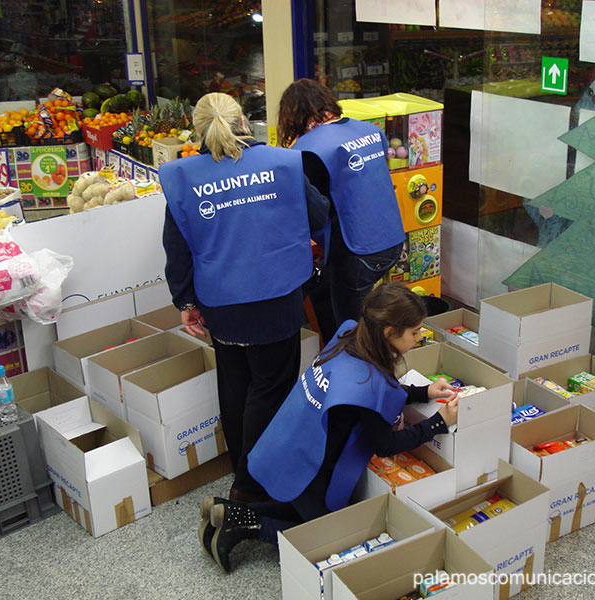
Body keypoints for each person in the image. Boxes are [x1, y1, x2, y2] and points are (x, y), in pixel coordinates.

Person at [198, 282, 459, 572]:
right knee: (334, 538)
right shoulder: (365, 384)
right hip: (311, 471)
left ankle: (226, 511)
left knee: (302, 510)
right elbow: (386, 444)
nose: (419, 337)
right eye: (414, 332)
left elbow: (387, 388)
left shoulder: (349, 335)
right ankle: (248, 526)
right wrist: (438, 422)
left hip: (289, 449)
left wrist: (423, 393)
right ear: (388, 333)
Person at [159, 92, 329, 503]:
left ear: (197, 129)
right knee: (271, 388)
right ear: (243, 122)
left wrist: (185, 303)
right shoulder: (283, 162)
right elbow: (320, 214)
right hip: (276, 298)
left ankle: (242, 470)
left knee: (235, 385)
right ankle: (251, 489)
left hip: (221, 303)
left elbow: (177, 247)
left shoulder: (182, 177)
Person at [278, 79, 406, 343]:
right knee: (327, 293)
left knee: (350, 332)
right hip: (391, 240)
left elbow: (313, 207)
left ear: (293, 114)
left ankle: (357, 371)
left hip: (358, 250)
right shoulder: (370, 130)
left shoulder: (310, 149)